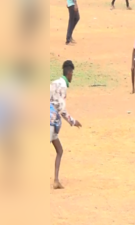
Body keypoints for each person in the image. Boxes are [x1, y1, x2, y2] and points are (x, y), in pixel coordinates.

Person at [50, 60, 82, 189]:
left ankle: (56, 181)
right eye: (72, 74)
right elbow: (62, 110)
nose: (72, 76)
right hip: (50, 122)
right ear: (69, 73)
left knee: (60, 150)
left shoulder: (54, 83)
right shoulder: (62, 86)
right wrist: (73, 122)